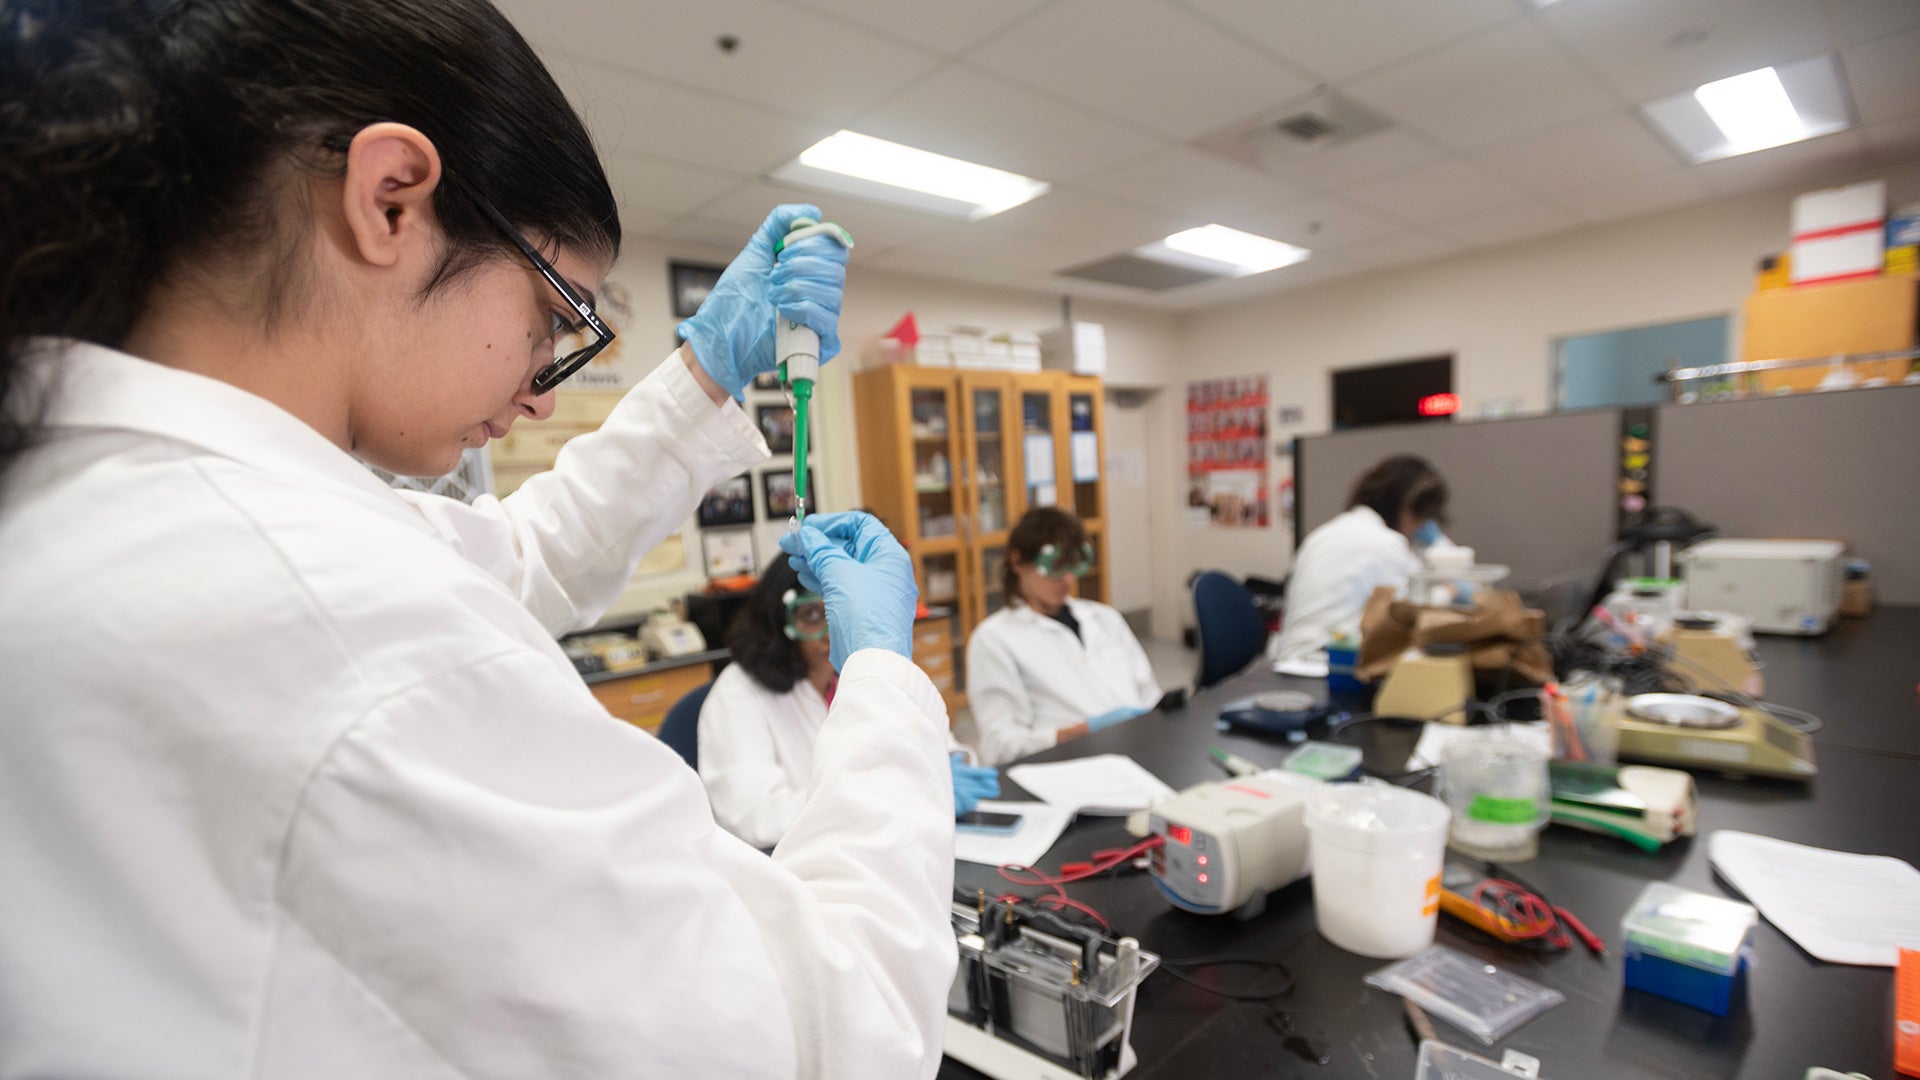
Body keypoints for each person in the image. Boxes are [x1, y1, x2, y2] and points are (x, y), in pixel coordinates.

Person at [0, 2, 955, 1077]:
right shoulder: (340, 622)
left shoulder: (107, 496)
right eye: (556, 317)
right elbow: (837, 1035)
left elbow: (512, 559)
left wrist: (703, 377)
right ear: (392, 199)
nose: (545, 392)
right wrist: (884, 680)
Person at [700, 557, 1001, 848]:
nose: (833, 633)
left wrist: (945, 764)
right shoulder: (738, 694)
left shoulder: (861, 670)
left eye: (843, 612)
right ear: (779, 621)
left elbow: (935, 741)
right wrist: (889, 793)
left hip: (887, 843)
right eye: (812, 615)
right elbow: (758, 818)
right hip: (794, 867)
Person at [966, 507, 1164, 766]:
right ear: (1017, 563)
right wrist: (1082, 732)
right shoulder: (993, 639)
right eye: (1055, 567)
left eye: (1073, 565)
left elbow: (1150, 695)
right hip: (1071, 765)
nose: (1067, 579)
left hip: (1144, 749)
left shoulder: (1104, 618)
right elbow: (999, 747)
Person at [1268, 454, 1454, 664]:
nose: (1420, 527)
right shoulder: (1386, 543)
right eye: (1423, 517)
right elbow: (1409, 616)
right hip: (1326, 666)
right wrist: (1447, 588)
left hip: (1290, 660)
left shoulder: (1325, 533)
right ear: (1409, 508)